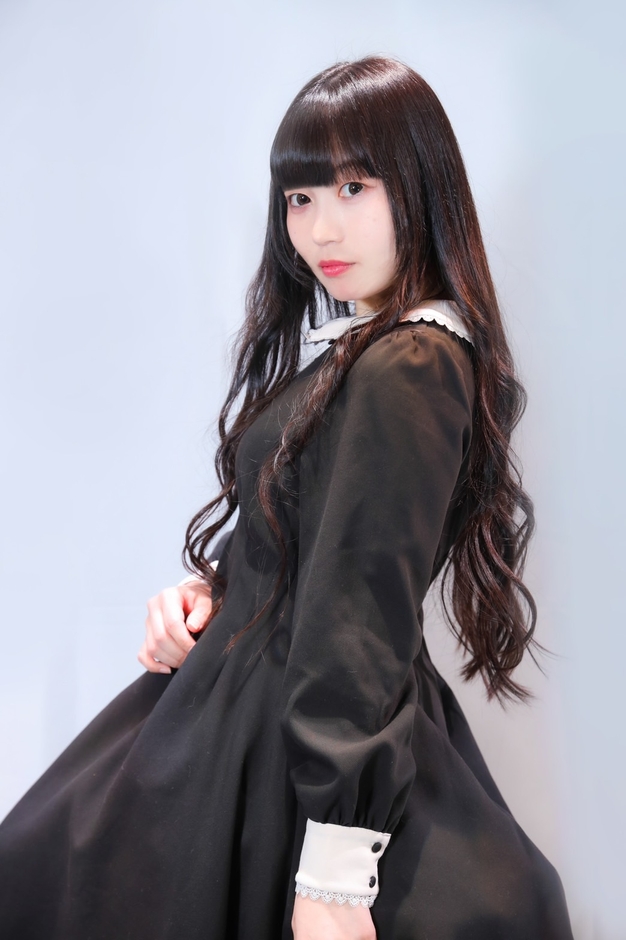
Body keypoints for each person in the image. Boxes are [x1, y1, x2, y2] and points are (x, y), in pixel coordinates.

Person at [0, 56, 573, 940]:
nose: (320, 227)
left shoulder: (412, 360)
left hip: (289, 740)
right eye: (300, 197)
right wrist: (216, 593)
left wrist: (336, 874)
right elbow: (316, 548)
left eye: (353, 187)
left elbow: (362, 610)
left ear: (421, 185)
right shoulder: (371, 348)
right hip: (242, 713)